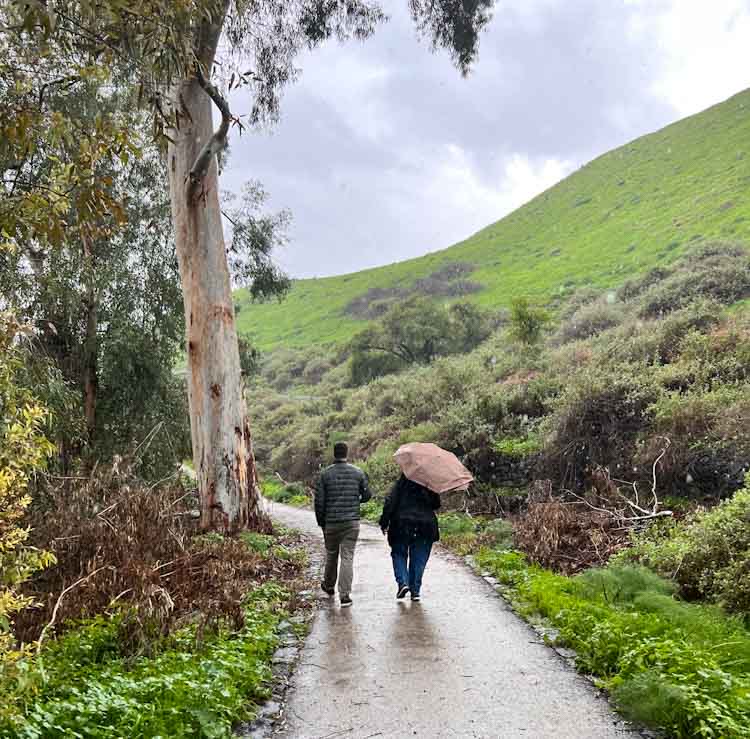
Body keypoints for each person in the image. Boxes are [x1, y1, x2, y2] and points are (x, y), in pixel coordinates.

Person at [315, 441, 371, 608]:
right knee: (347, 557)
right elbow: (367, 494)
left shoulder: (325, 474)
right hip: (351, 522)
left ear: (334, 454)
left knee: (331, 555)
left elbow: (319, 502)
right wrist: (358, 499)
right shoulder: (358, 472)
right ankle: (345, 595)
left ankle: (329, 586)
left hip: (331, 523)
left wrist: (321, 522)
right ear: (347, 453)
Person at [379, 473, 440, 602]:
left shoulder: (401, 483)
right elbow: (436, 504)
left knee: (399, 553)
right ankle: (415, 590)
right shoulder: (429, 482)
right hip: (425, 525)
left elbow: (390, 501)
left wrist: (384, 522)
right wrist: (431, 490)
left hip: (401, 523)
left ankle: (403, 583)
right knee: (419, 557)